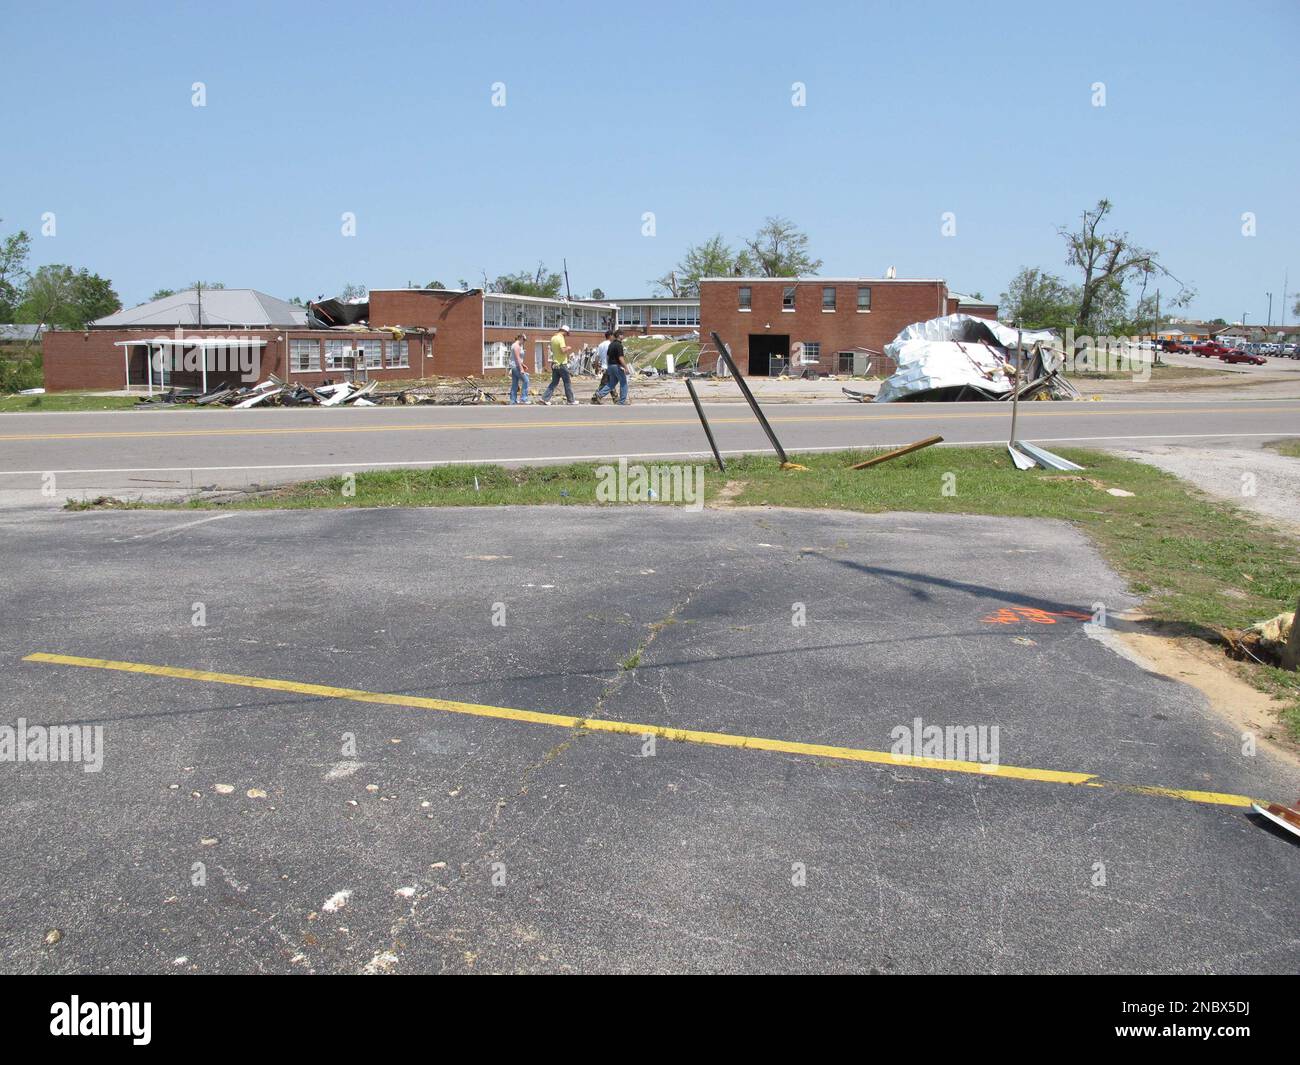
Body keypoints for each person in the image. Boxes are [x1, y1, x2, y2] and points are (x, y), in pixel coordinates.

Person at [540, 325, 577, 405]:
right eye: (566, 334)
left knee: (554, 382)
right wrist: (568, 348)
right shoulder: (560, 338)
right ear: (564, 331)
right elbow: (563, 350)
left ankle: (545, 398)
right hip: (561, 363)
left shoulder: (553, 338)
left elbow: (554, 350)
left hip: (554, 363)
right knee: (567, 382)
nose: (566, 336)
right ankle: (571, 400)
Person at [593, 330, 629, 405]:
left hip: (610, 366)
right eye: (622, 335)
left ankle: (599, 394)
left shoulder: (611, 344)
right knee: (623, 382)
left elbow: (607, 356)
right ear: (619, 335)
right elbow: (620, 357)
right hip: (616, 366)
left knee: (611, 383)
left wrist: (608, 365)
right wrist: (625, 367)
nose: (623, 337)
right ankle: (622, 401)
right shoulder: (619, 345)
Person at [508, 333, 529, 405]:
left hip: (514, 366)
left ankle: (513, 400)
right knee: (526, 380)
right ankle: (523, 399)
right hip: (516, 367)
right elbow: (517, 358)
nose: (524, 341)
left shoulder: (516, 345)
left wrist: (523, 365)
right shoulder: (516, 346)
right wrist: (521, 369)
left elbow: (518, 359)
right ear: (520, 338)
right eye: (524, 340)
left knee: (515, 383)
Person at [593, 330, 612, 397]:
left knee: (610, 383)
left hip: (603, 367)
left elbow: (597, 358)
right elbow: (609, 357)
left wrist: (596, 368)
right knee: (605, 384)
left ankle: (616, 398)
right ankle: (595, 397)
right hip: (609, 367)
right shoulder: (610, 345)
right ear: (610, 336)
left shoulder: (600, 345)